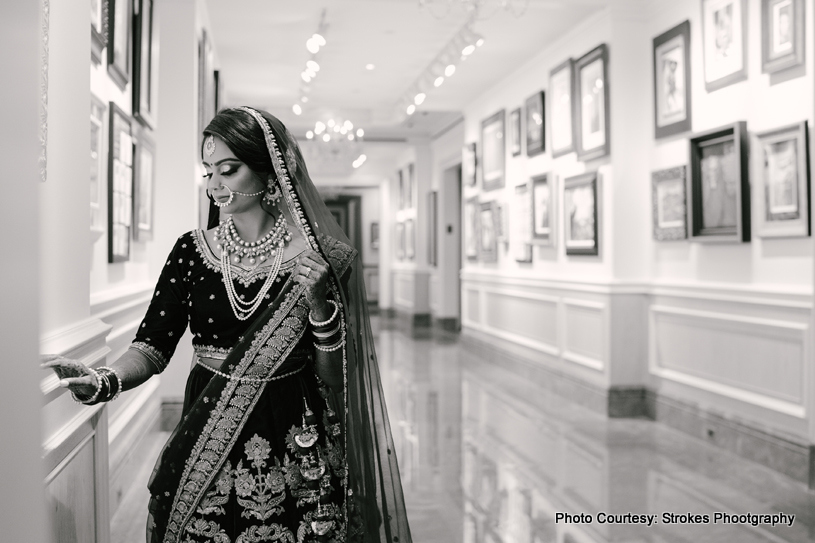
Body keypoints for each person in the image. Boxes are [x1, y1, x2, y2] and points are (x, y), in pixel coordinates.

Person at [43, 107, 411, 543]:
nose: (214, 185)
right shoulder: (191, 252)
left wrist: (319, 306)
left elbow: (334, 376)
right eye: (209, 172)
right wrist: (105, 380)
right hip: (208, 421)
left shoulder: (322, 259)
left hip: (290, 428)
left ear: (269, 171)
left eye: (228, 170)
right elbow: (152, 346)